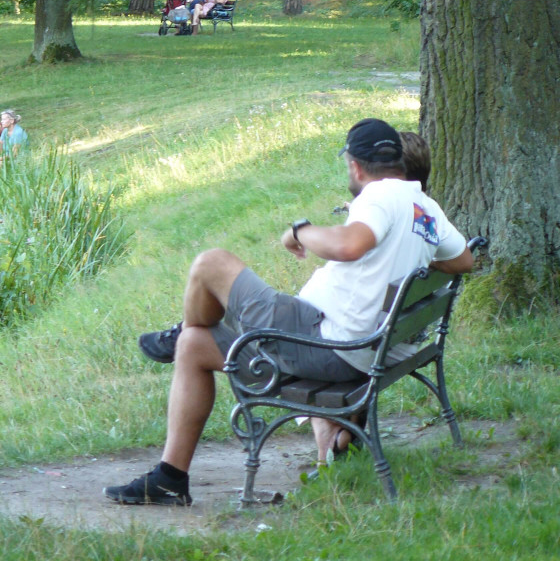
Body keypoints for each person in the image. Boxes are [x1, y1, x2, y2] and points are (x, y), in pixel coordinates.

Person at [105, 119, 473, 506]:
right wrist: (410, 255)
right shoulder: (423, 206)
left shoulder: (378, 196)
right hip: (361, 349)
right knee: (196, 345)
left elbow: (349, 246)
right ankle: (169, 477)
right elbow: (463, 259)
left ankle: (184, 327)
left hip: (326, 346)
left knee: (211, 264)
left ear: (355, 165)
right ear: (398, 161)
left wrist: (299, 231)